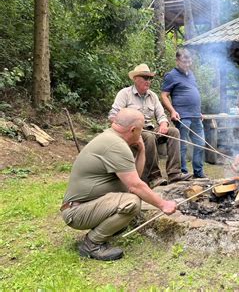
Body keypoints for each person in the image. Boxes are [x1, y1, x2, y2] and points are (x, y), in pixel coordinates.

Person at [61, 108, 177, 261]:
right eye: (141, 130)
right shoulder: (116, 145)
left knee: (132, 196)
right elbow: (135, 186)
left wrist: (141, 151)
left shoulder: (112, 138)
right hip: (76, 212)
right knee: (132, 202)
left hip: (85, 205)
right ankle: (92, 244)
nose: (142, 134)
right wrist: (163, 204)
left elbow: (136, 176)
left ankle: (108, 228)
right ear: (133, 129)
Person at [109, 64, 192, 188]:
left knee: (174, 132)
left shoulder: (152, 96)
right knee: (148, 136)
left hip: (150, 130)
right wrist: (129, 127)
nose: (148, 81)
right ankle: (154, 177)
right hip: (132, 132)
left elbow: (161, 115)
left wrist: (163, 124)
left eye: (149, 78)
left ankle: (174, 173)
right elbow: (113, 116)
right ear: (135, 78)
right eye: (145, 78)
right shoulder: (125, 94)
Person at [161, 49, 206, 179]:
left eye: (189, 61)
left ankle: (198, 172)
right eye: (184, 61)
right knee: (182, 146)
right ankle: (183, 172)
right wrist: (172, 111)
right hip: (182, 117)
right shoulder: (171, 75)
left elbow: (193, 93)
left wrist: (199, 111)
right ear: (177, 61)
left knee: (200, 143)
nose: (187, 64)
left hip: (196, 116)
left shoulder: (191, 74)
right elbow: (164, 95)